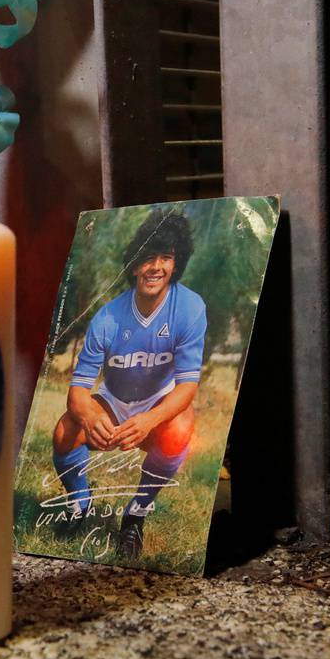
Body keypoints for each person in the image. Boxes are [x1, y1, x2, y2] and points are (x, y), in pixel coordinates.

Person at [51, 207, 206, 559]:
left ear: (175, 264)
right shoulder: (108, 316)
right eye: (148, 258)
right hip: (115, 399)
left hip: (158, 402)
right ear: (134, 265)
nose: (156, 267)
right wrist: (90, 418)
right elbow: (78, 392)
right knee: (65, 431)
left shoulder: (190, 308)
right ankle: (80, 506)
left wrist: (149, 420)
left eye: (165, 258)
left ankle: (135, 515)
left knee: (182, 427)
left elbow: (187, 387)